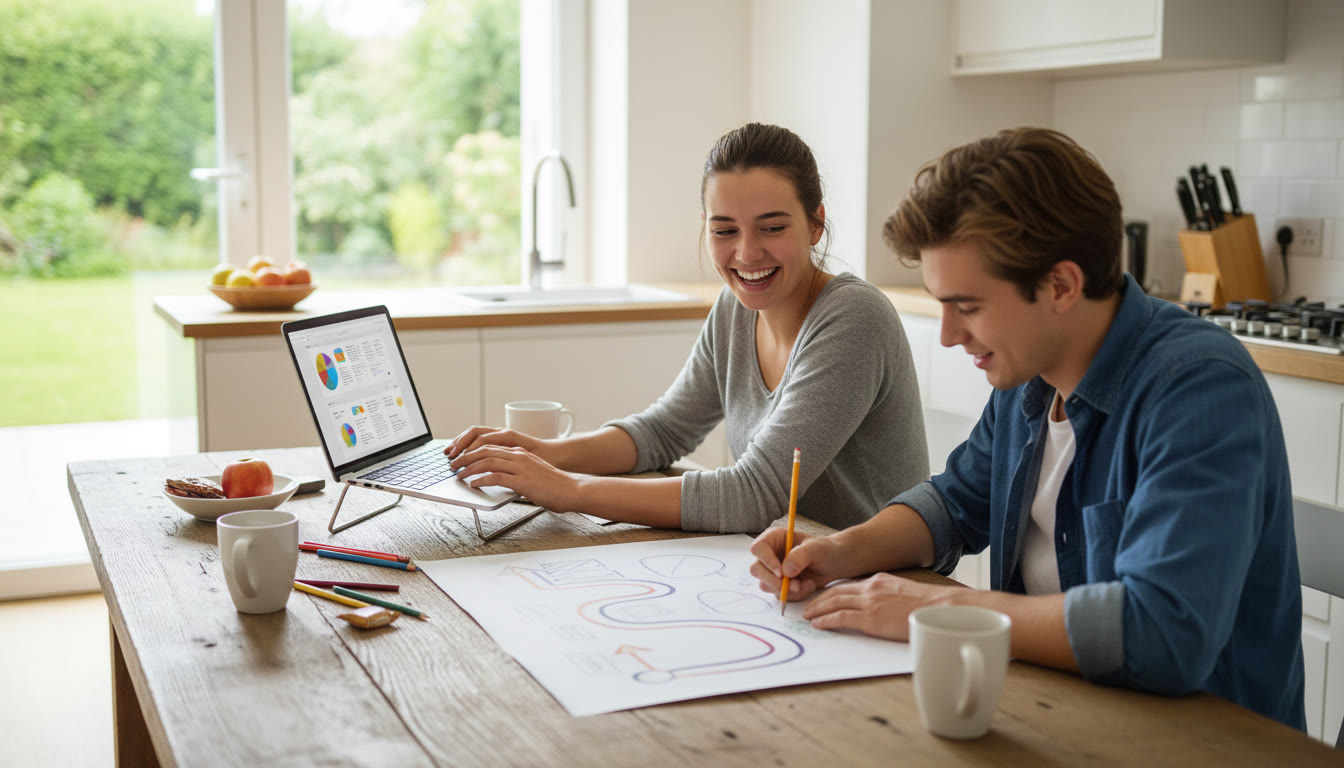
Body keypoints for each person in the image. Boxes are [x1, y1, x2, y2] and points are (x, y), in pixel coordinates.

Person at [749, 127, 1306, 729]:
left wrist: (941, 608)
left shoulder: (1199, 388)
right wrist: (839, 549)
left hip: (1203, 740)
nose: (948, 335)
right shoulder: (1030, 378)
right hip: (1057, 713)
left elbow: (1164, 633)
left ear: (1061, 285)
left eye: (968, 305)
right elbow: (953, 502)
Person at [447, 122, 929, 533]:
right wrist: (546, 453)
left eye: (772, 227)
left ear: (816, 224)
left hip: (880, 581)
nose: (746, 253)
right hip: (789, 568)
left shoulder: (854, 318)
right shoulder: (736, 308)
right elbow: (663, 432)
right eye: (724, 230)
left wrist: (568, 489)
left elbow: (754, 494)